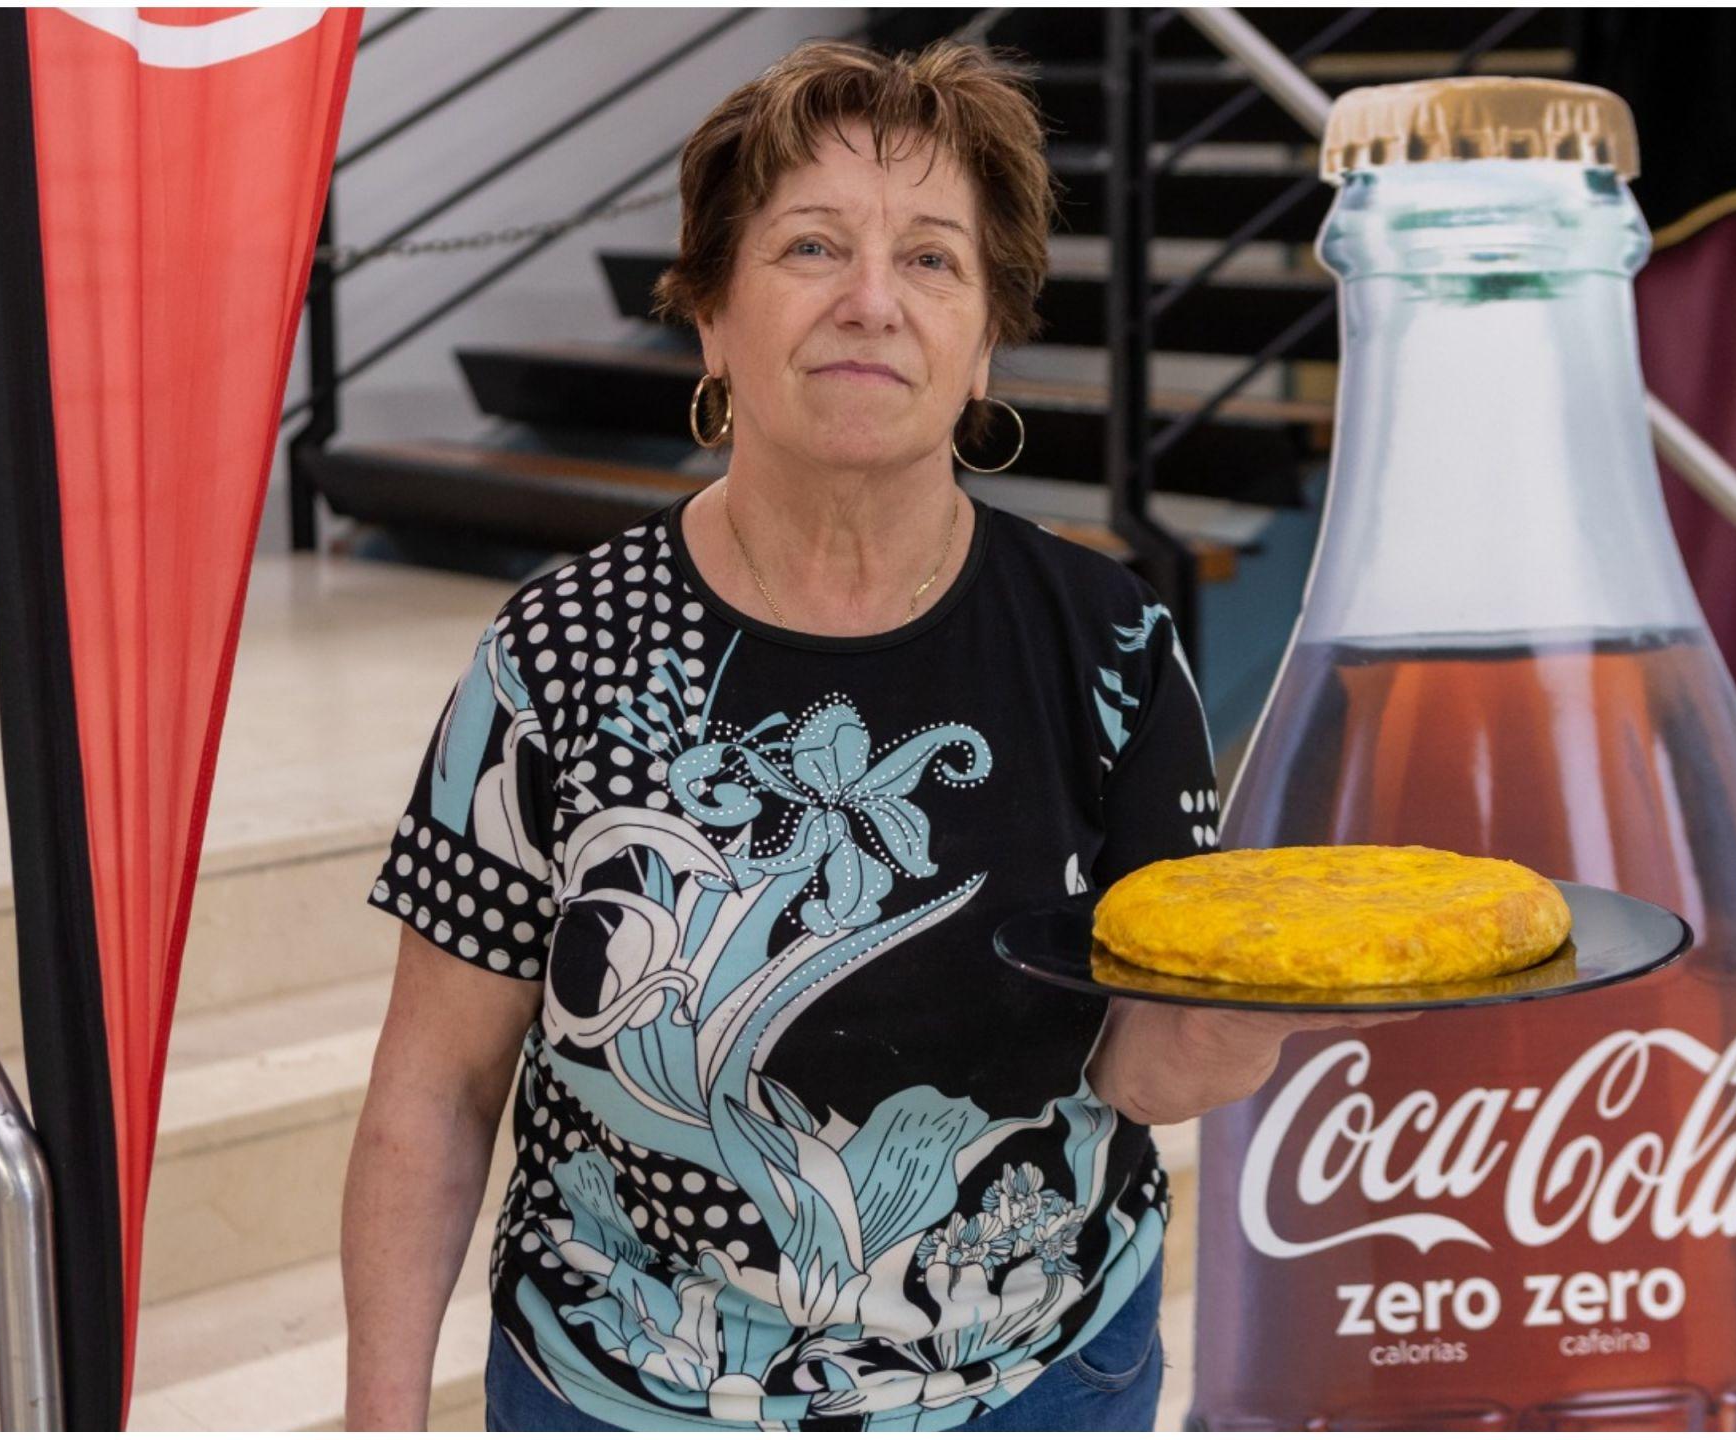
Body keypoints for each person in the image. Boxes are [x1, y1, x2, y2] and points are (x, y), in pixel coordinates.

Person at [341, 37, 1347, 1432]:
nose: (873, 301)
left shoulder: (1108, 644)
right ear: (709, 316)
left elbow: (1143, 1073)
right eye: (813, 247)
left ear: (986, 336)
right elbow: (435, 1091)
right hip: (623, 1388)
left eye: (933, 260)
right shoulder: (559, 654)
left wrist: (1279, 1006)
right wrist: (382, 1416)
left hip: (1029, 1382)